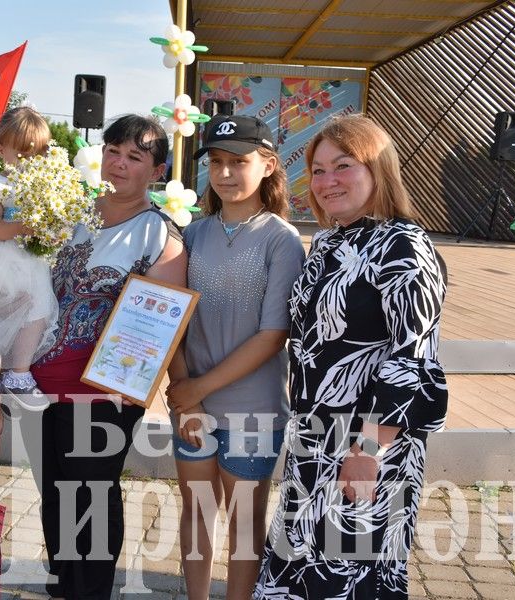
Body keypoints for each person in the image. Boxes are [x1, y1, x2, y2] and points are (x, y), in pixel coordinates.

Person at [254, 114, 448, 600]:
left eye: (343, 166)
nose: (326, 181)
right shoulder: (328, 242)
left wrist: (368, 453)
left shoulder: (405, 247)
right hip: (315, 436)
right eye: (317, 170)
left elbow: (414, 362)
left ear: (377, 169)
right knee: (299, 565)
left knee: (348, 575)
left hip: (369, 442)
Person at [29, 114, 188, 599]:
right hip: (41, 379)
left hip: (106, 390)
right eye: (113, 151)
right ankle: (63, 585)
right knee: (56, 493)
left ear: (157, 171)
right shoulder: (69, 210)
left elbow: (160, 326)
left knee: (91, 493)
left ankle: (90, 590)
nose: (118, 164)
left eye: (134, 157)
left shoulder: (160, 236)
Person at [166, 115, 304, 599]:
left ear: (267, 165)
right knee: (197, 511)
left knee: (244, 523)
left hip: (252, 410)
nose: (225, 173)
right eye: (216, 162)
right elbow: (172, 321)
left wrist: (195, 391)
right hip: (192, 407)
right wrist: (185, 396)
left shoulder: (281, 239)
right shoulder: (192, 234)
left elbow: (273, 334)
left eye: (238, 162)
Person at [0, 106, 58, 410]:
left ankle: (14, 373)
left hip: (32, 259)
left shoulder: (45, 185)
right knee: (20, 309)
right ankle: (16, 375)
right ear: (0, 150)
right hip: (6, 259)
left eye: (36, 154)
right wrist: (25, 227)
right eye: (20, 153)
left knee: (39, 311)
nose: (28, 161)